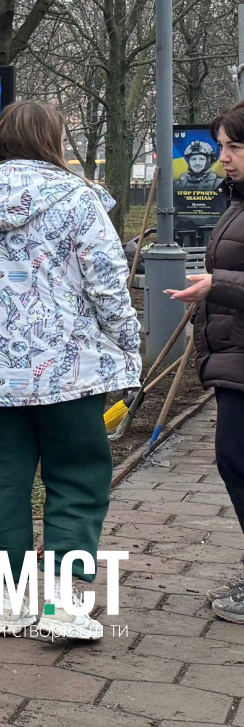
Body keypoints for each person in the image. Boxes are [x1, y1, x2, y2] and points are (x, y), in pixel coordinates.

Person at [0, 100, 140, 641]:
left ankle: (12, 606)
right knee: (77, 479)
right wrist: (127, 346)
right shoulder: (79, 199)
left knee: (3, 484)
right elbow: (109, 285)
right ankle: (66, 608)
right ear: (53, 140)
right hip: (69, 372)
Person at [165, 102, 244, 624]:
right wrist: (208, 293)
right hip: (234, 355)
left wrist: (220, 285)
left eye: (234, 147)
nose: (224, 158)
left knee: (236, 462)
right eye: (221, 147)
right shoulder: (236, 201)